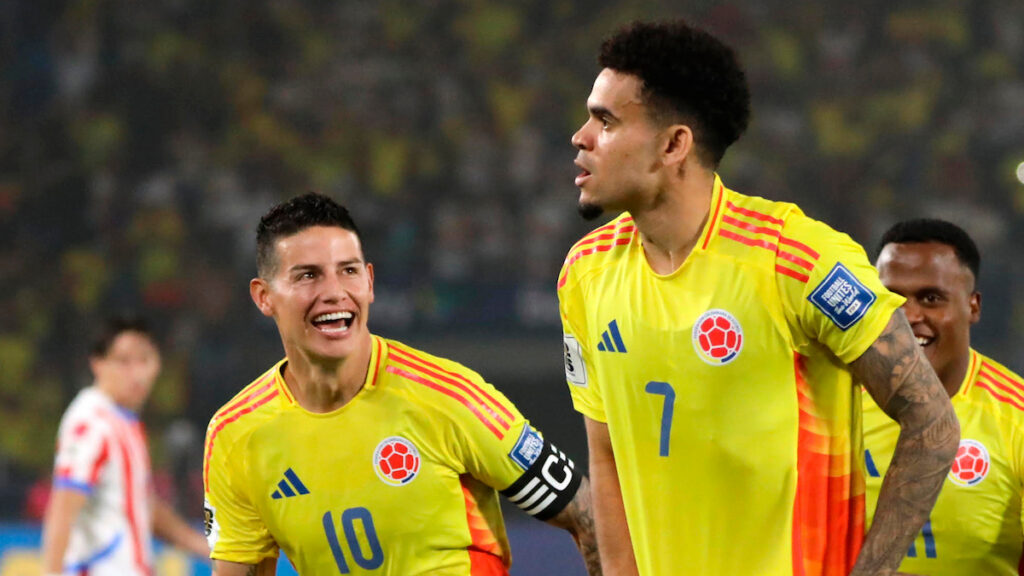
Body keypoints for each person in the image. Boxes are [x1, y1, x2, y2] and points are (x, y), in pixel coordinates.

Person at [557, 19, 960, 576]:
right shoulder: (585, 274)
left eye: (605, 120)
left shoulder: (795, 260)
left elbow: (932, 423)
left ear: (674, 144)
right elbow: (606, 458)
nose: (581, 136)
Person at [203, 193, 600, 576]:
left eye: (349, 270)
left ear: (370, 282)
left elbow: (587, 513)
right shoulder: (236, 435)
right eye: (309, 275)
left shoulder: (447, 395)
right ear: (264, 297)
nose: (334, 293)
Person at [863, 219, 1024, 575]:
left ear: (973, 307)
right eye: (891, 298)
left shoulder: (1016, 420)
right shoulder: (827, 403)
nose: (907, 316)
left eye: (930, 298)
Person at [40, 314, 209, 575]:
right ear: (98, 364)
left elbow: (140, 504)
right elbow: (63, 508)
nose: (137, 373)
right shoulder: (90, 422)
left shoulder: (122, 419)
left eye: (144, 360)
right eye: (124, 361)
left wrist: (205, 548)